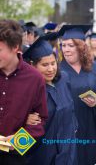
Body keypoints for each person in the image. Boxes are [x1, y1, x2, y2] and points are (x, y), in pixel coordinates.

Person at [58, 25, 96, 165]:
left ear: (81, 47)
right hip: (65, 131)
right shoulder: (57, 70)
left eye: (71, 45)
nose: (66, 49)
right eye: (63, 45)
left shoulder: (94, 68)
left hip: (89, 128)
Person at [23, 34, 77, 165]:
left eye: (53, 63)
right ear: (33, 66)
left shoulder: (64, 79)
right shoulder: (27, 89)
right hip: (41, 153)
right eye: (45, 65)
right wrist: (23, 118)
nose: (51, 69)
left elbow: (71, 110)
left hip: (67, 150)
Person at [0, 19, 48, 164]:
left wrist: (19, 141)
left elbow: (40, 121)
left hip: (13, 157)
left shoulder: (35, 79)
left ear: (15, 47)